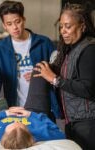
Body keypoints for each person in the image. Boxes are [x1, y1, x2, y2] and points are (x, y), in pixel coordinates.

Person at [33, 3, 95, 150]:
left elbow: (88, 89)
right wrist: (44, 71)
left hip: (88, 123)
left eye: (68, 26)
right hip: (73, 122)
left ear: (82, 26)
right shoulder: (71, 49)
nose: (63, 32)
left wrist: (55, 79)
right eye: (61, 27)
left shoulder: (89, 49)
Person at [0, 0, 57, 116]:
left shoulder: (44, 43)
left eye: (17, 22)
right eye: (9, 24)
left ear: (24, 19)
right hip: (15, 107)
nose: (15, 27)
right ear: (4, 26)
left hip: (42, 107)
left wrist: (40, 75)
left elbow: (59, 71)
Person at [0, 107, 65, 149]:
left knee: (2, 103)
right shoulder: (41, 134)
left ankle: (3, 104)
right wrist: (30, 114)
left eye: (11, 125)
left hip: (5, 113)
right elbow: (58, 131)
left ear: (4, 135)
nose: (16, 120)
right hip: (30, 110)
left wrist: (4, 113)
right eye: (20, 124)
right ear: (29, 133)